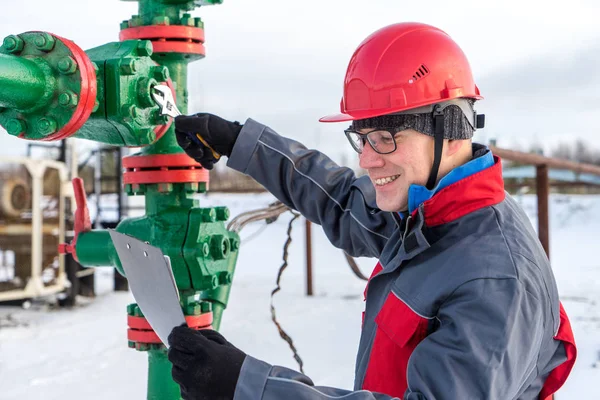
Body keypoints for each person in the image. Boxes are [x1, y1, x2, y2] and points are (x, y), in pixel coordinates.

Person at [167, 22, 577, 400]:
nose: (366, 160)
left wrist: (248, 387)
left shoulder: (497, 280)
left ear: (451, 131)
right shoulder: (427, 213)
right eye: (360, 138)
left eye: (384, 137)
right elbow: (342, 201)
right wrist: (240, 141)